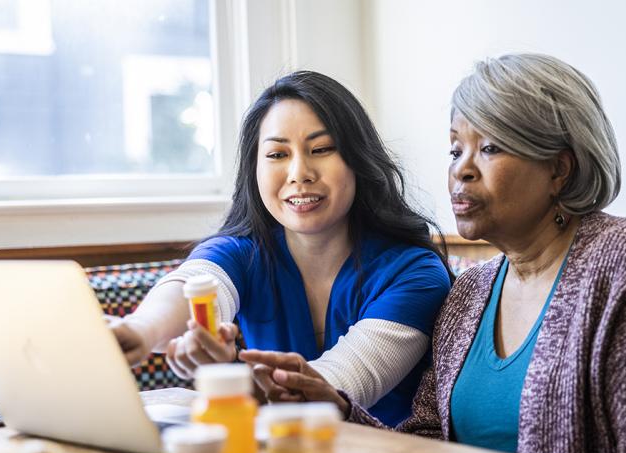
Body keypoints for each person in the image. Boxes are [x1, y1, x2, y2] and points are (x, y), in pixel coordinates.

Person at [240, 54, 626, 453]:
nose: (462, 169)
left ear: (559, 169)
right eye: (455, 149)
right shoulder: (470, 292)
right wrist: (336, 407)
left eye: (491, 148)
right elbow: (428, 448)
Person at [111, 70, 452, 427]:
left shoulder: (416, 274)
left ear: (358, 161)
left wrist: (225, 375)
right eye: (276, 154)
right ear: (254, 169)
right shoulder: (242, 253)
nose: (299, 172)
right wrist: (138, 332)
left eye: (321, 149)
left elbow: (331, 390)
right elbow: (195, 285)